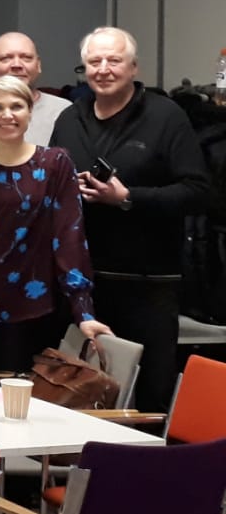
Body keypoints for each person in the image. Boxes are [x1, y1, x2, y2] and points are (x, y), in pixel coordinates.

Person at [50, 27, 208, 411]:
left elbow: (199, 192)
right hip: (82, 285)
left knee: (149, 397)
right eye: (94, 61)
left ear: (134, 67)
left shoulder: (166, 116)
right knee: (80, 395)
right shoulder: (70, 118)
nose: (103, 69)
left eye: (114, 60)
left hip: (148, 284)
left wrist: (127, 198)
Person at [0, 76, 111, 372]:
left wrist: (83, 311)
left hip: (33, 311)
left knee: (29, 399)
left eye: (16, 106)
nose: (7, 115)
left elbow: (69, 238)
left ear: (29, 112)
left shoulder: (55, 164)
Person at [0, 32, 73, 147]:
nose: (17, 65)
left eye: (26, 58)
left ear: (38, 65)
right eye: (6, 58)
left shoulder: (64, 111)